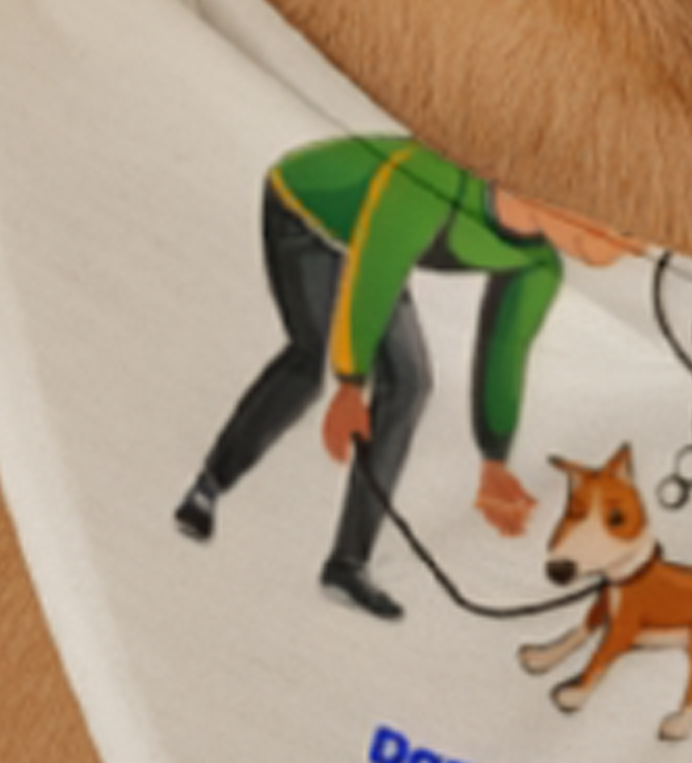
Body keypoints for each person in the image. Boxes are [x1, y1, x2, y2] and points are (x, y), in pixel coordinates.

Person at [173, 136, 630, 616]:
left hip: (368, 243)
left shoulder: (539, 264)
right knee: (309, 363)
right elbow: (376, 268)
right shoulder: (433, 180)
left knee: (410, 385)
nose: (625, 242)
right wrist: (350, 382)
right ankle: (207, 488)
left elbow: (504, 351)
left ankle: (347, 564)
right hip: (306, 212)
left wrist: (493, 460)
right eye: (611, 223)